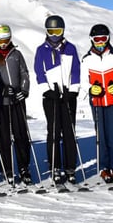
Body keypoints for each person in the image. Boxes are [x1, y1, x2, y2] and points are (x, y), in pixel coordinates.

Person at [33, 15, 81, 185]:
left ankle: (70, 168)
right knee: (54, 132)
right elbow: (39, 72)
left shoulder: (70, 48)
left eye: (58, 31)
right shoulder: (42, 50)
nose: (54, 35)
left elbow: (76, 70)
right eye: (51, 31)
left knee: (69, 132)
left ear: (63, 31)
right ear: (46, 31)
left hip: (68, 96)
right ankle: (55, 167)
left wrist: (74, 90)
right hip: (51, 97)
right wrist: (46, 90)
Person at [81, 24, 113, 184]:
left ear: (108, 39)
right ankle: (104, 168)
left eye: (103, 39)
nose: (100, 43)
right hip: (97, 101)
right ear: (91, 40)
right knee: (101, 135)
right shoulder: (87, 59)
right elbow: (83, 80)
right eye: (97, 39)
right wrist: (90, 88)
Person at [0, 24, 32, 185]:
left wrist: (24, 91)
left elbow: (24, 73)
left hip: (17, 100)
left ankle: (24, 167)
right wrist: (0, 91)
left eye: (6, 40)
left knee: (21, 135)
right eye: (0, 40)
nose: (4, 44)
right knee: (5, 136)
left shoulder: (16, 54)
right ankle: (7, 169)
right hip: (1, 102)